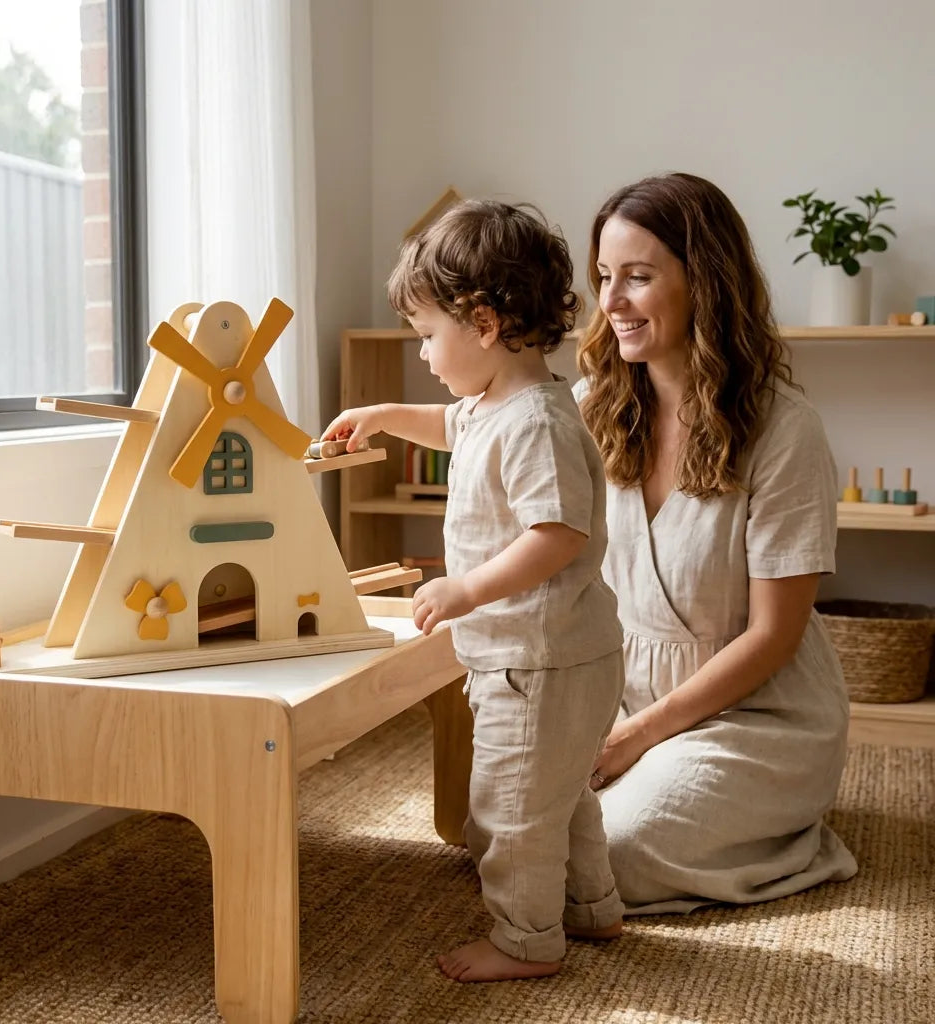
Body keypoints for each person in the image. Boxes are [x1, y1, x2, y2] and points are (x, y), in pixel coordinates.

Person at [323, 199, 626, 982]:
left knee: (510, 812)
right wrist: (385, 416)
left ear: (484, 322)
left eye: (428, 336)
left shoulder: (536, 424)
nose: (423, 355)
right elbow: (447, 423)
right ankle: (591, 910)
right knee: (564, 797)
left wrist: (467, 590)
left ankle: (526, 941)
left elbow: (558, 534)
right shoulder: (492, 406)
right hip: (543, 657)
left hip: (540, 662)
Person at [575, 172, 858, 914]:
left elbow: (772, 637)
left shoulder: (785, 431)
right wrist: (383, 415)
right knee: (500, 827)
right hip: (627, 699)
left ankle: (789, 836)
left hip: (755, 717)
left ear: (704, 281)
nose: (611, 302)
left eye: (637, 277)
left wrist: (635, 739)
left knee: (609, 855)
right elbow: (490, 425)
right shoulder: (596, 406)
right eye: (605, 277)